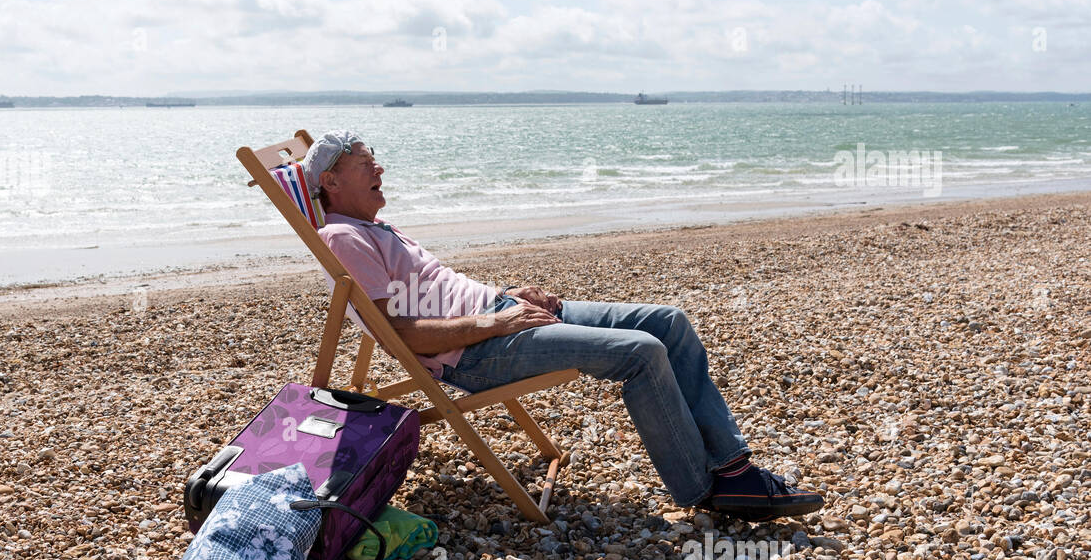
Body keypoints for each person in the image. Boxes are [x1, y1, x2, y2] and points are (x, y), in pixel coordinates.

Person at [303, 130, 824, 521]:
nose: (381, 170)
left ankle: (733, 470)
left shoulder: (373, 226)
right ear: (331, 181)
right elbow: (407, 335)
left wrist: (507, 298)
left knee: (668, 322)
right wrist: (494, 320)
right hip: (479, 350)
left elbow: (440, 291)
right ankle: (703, 488)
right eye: (367, 163)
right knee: (642, 352)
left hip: (501, 315)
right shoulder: (345, 239)